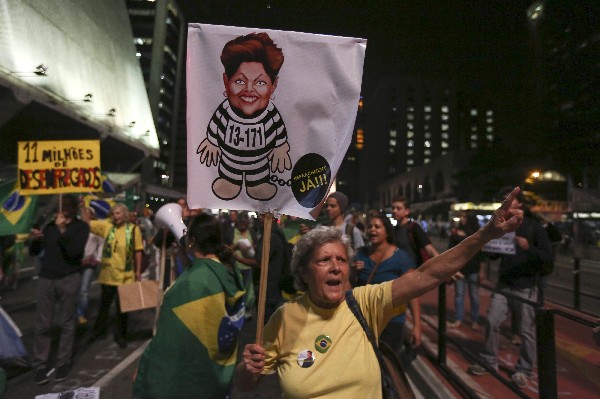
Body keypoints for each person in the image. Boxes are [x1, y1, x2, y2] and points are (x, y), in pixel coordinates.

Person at [235, 187, 524, 398]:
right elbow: (248, 384)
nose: (336, 267)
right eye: (324, 260)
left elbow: (428, 273)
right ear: (303, 272)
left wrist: (486, 234)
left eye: (342, 260)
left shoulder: (364, 302)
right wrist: (249, 368)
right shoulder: (285, 317)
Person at [133, 213, 246, 399]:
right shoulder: (227, 268)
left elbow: (171, 342)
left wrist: (148, 370)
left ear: (192, 241)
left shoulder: (192, 283)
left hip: (190, 376)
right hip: (214, 370)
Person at [468, 187, 553, 388]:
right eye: (502, 200)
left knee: (526, 331)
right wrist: (487, 246)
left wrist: (528, 248)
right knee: (491, 320)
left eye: (509, 200)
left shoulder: (534, 227)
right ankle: (489, 360)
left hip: (526, 287)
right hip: (504, 284)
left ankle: (524, 369)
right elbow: (495, 255)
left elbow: (548, 260)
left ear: (519, 204)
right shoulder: (503, 226)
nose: (505, 203)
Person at [197, 32, 292, 201]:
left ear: (273, 85)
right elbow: (215, 124)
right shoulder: (225, 110)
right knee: (228, 178)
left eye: (260, 82)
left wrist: (280, 147)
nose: (249, 89)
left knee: (259, 179)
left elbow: (279, 131)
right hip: (228, 165)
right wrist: (212, 142)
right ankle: (229, 181)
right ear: (226, 82)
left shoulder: (271, 113)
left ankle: (257, 184)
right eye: (240, 81)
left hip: (260, 167)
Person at [28, 195, 89, 384]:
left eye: (64, 205)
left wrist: (63, 229)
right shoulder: (49, 226)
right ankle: (40, 365)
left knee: (67, 323)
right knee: (43, 323)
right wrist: (35, 240)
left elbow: (74, 252)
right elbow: (34, 252)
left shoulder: (81, 227)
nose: (60, 209)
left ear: (71, 208)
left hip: (69, 278)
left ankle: (63, 362)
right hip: (46, 278)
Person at [354, 212, 421, 357]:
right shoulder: (360, 254)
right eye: (370, 226)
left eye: (377, 227)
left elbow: (412, 293)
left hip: (392, 323)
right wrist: (353, 271)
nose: (372, 230)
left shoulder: (400, 258)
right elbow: (350, 286)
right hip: (365, 320)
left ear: (387, 231)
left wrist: (417, 326)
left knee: (386, 366)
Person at [85, 203, 143, 349]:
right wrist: (82, 207)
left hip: (125, 276)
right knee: (104, 306)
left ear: (124, 214)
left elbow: (138, 251)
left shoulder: (133, 229)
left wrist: (138, 272)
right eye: (114, 213)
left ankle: (121, 336)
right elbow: (87, 223)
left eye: (118, 213)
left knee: (123, 309)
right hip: (108, 275)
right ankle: (99, 331)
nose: (115, 216)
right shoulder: (107, 226)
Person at [447, 211, 483, 330]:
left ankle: (475, 320)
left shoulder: (476, 234)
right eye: (461, 216)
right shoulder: (455, 233)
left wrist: (481, 271)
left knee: (474, 295)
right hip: (460, 269)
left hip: (473, 268)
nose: (462, 219)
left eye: (464, 217)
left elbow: (481, 254)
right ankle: (458, 318)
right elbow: (450, 251)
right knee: (459, 294)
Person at [391, 196, 440, 266]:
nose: (394, 211)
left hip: (413, 271)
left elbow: (430, 250)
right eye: (393, 208)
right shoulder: (394, 229)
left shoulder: (414, 227)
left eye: (398, 208)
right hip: (397, 272)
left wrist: (444, 265)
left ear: (407, 211)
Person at [76, 207, 104, 326]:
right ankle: (71, 311)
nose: (85, 215)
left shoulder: (96, 228)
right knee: (73, 288)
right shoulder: (76, 227)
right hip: (76, 261)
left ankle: (80, 313)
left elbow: (102, 243)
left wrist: (98, 258)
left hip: (89, 262)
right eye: (83, 213)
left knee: (84, 289)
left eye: (88, 213)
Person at [231, 212, 257, 318]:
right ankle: (236, 311)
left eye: (244, 223)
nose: (242, 225)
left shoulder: (251, 232)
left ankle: (247, 309)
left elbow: (257, 246)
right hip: (236, 267)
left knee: (248, 291)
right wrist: (236, 246)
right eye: (240, 223)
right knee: (237, 290)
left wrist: (251, 247)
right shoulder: (231, 232)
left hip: (248, 266)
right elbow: (226, 248)